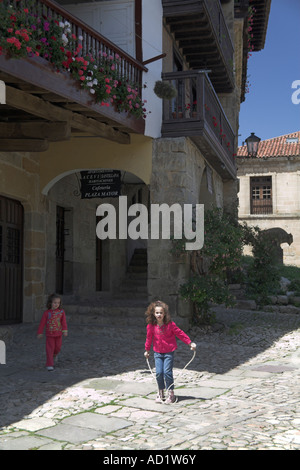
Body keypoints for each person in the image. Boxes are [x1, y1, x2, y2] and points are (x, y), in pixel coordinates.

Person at [144, 300, 196, 404]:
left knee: (167, 372)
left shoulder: (170, 325)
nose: (159, 315)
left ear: (164, 314)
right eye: (157, 313)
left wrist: (190, 343)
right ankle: (160, 392)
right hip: (157, 352)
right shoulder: (151, 326)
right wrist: (147, 350)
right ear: (153, 314)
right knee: (159, 373)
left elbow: (180, 333)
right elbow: (149, 338)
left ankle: (171, 393)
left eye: (161, 313)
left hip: (168, 352)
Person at [37, 294, 68, 371]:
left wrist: (65, 330)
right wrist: (40, 332)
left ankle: (54, 355)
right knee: (50, 349)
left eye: (58, 303)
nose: (56, 304)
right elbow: (42, 323)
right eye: (54, 302)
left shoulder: (61, 312)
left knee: (57, 348)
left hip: (58, 334)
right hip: (50, 334)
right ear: (50, 303)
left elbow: (63, 322)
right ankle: (49, 364)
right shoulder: (46, 313)